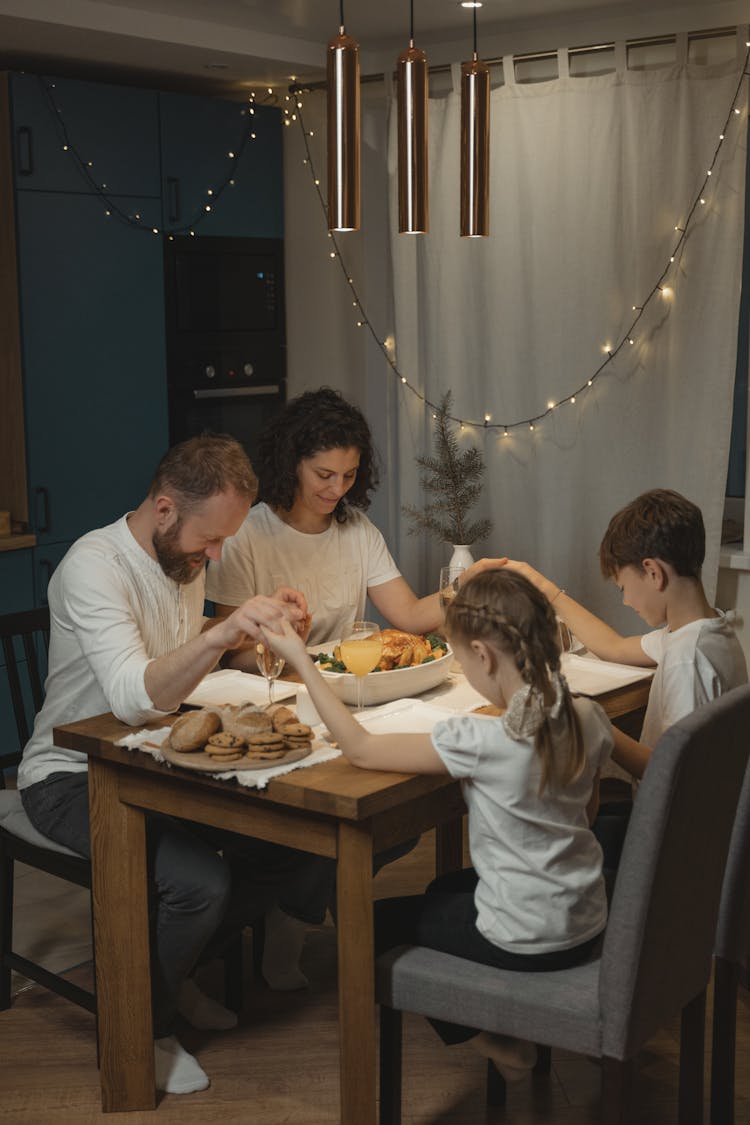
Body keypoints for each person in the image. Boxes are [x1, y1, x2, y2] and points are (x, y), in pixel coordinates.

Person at [16, 433, 324, 1096]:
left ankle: (169, 972)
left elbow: (185, 670)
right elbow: (135, 695)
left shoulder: (182, 559)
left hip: (157, 760)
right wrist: (222, 629)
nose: (215, 555)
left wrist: (263, 634)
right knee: (199, 883)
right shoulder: (91, 566)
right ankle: (142, 1027)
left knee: (293, 846)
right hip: (71, 772)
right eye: (209, 540)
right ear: (163, 510)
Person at [261, 568, 613, 1080]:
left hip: (526, 938)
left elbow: (359, 750)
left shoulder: (486, 740)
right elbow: (590, 813)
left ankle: (490, 1036)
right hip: (586, 916)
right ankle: (502, 1017)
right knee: (446, 885)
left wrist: (300, 658)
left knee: (376, 922)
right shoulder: (586, 717)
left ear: (484, 655)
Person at [205, 386, 502, 650]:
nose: (337, 489)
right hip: (278, 689)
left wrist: (467, 583)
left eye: (349, 475)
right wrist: (286, 645)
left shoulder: (357, 529)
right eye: (324, 475)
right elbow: (232, 656)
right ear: (291, 463)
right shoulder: (245, 535)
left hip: (347, 686)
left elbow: (410, 616)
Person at [502, 489, 747, 780]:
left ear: (653, 573)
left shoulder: (687, 659)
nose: (626, 601)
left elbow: (670, 772)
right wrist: (544, 587)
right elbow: (613, 647)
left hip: (660, 823)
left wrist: (597, 725)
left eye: (623, 588)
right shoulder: (709, 632)